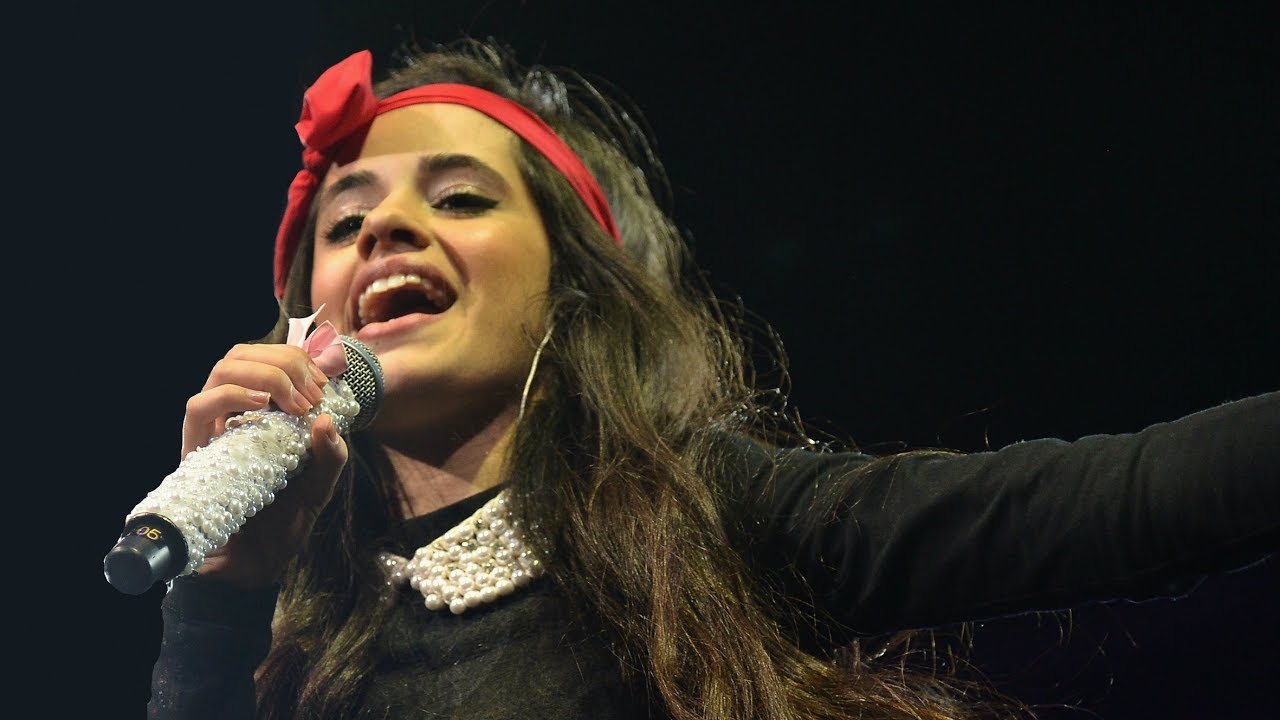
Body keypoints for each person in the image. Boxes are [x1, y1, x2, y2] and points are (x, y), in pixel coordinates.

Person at [139, 36, 1278, 720]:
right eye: (345, 222)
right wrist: (219, 600)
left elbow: (1122, 498)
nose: (386, 228)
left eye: (461, 198)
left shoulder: (696, 514)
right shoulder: (280, 634)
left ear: (572, 290)